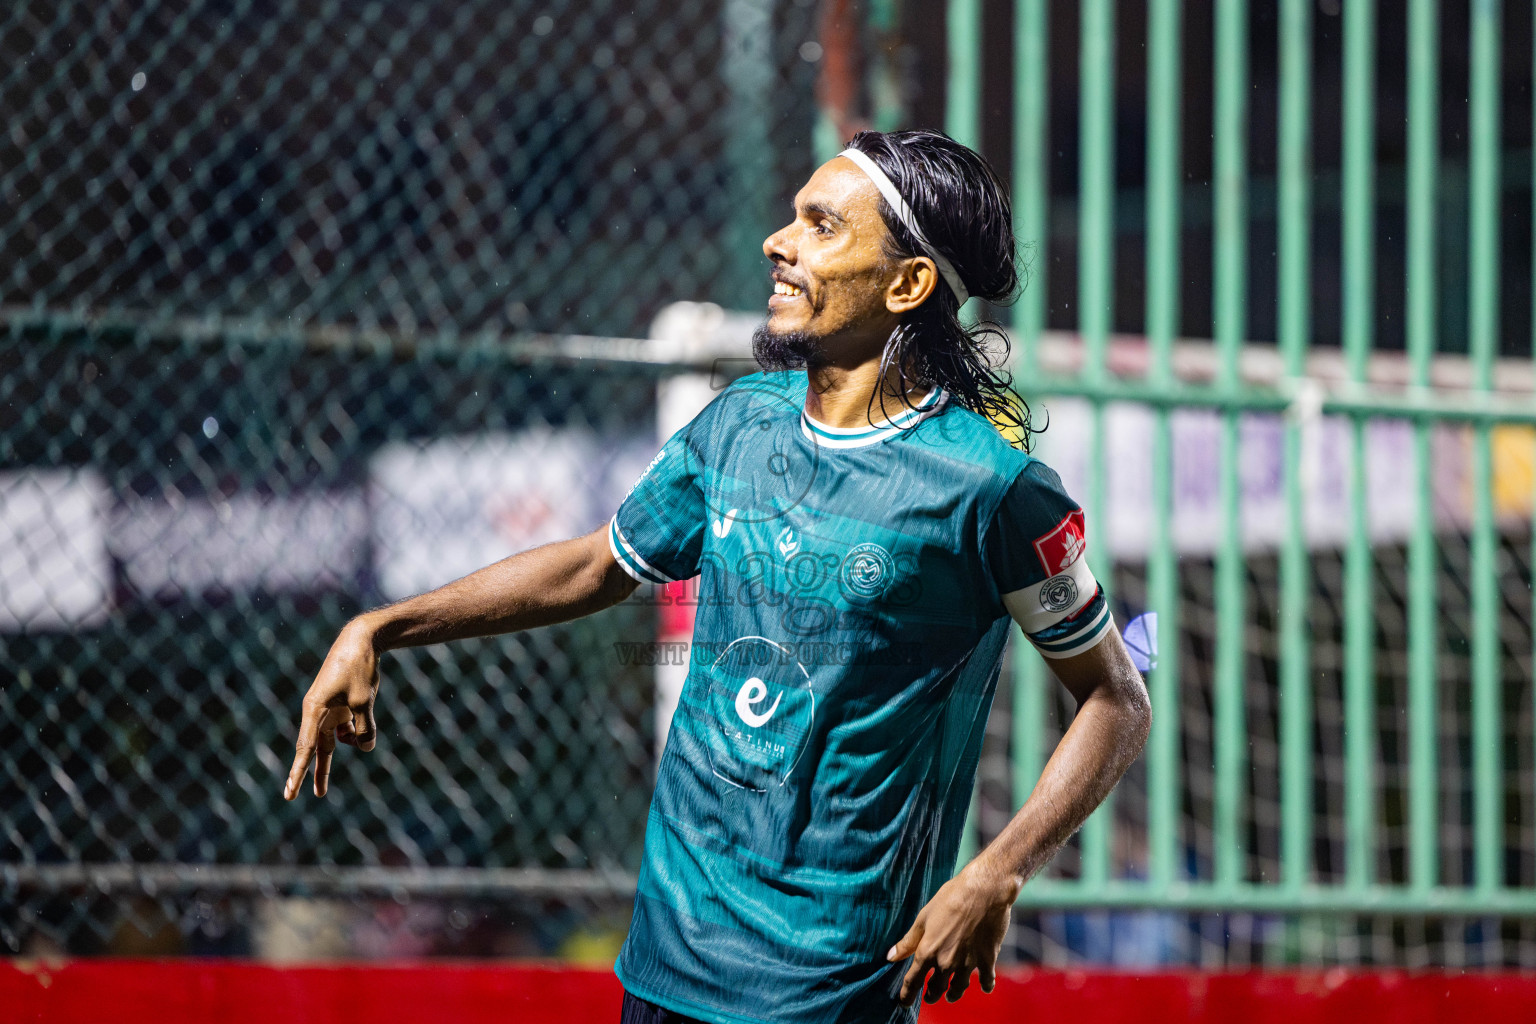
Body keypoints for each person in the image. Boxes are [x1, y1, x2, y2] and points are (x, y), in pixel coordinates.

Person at [283, 128, 1151, 1023]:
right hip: (663, 965)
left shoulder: (993, 488)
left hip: (829, 990)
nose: (778, 242)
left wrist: (997, 872)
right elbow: (593, 566)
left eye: (820, 226)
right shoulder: (737, 423)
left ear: (907, 285)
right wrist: (378, 627)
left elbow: (1117, 698)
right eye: (791, 217)